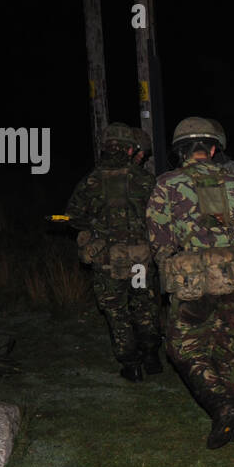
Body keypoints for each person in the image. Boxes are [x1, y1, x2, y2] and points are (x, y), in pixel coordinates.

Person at [145, 117, 234, 448]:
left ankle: (223, 409)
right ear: (214, 149)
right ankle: (226, 414)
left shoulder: (167, 185)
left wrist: (174, 266)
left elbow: (160, 244)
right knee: (224, 352)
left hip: (192, 286)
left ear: (182, 150)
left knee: (182, 347)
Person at [65, 122, 162, 381]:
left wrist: (94, 227)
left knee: (116, 311)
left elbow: (73, 216)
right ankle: (152, 355)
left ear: (106, 147)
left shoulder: (91, 181)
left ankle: (131, 365)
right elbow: (161, 217)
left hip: (108, 262)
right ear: (130, 151)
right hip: (140, 259)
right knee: (144, 305)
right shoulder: (144, 180)